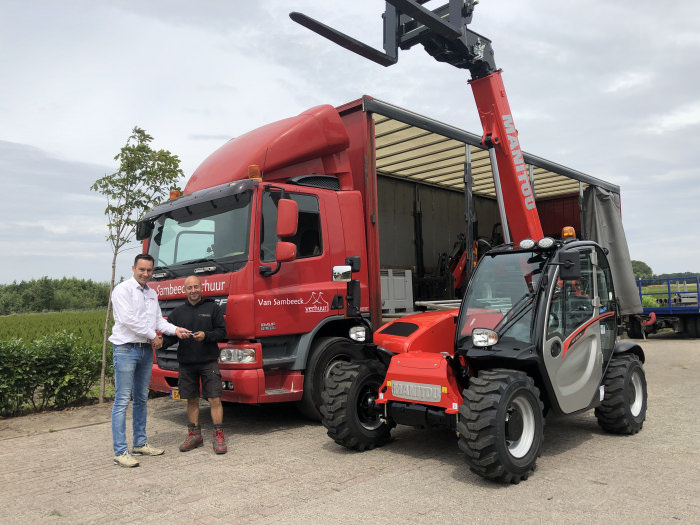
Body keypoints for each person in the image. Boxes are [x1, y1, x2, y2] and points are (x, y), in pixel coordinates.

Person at [109, 253, 189, 468]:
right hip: (126, 349)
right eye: (141, 269)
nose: (145, 274)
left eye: (149, 270)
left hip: (145, 350)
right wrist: (153, 336)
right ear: (133, 268)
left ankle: (140, 443)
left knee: (142, 399)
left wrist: (175, 329)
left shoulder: (152, 293)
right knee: (123, 400)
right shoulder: (122, 290)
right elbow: (128, 320)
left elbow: (157, 322)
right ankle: (120, 451)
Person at [162, 275, 228, 454]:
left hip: (208, 361)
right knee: (191, 399)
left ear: (201, 288)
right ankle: (194, 435)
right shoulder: (178, 313)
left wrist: (206, 336)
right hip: (187, 363)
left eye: (196, 287)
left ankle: (218, 434)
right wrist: (159, 342)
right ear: (185, 290)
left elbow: (222, 332)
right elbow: (169, 336)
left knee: (214, 398)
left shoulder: (212, 308)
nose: (193, 290)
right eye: (190, 288)